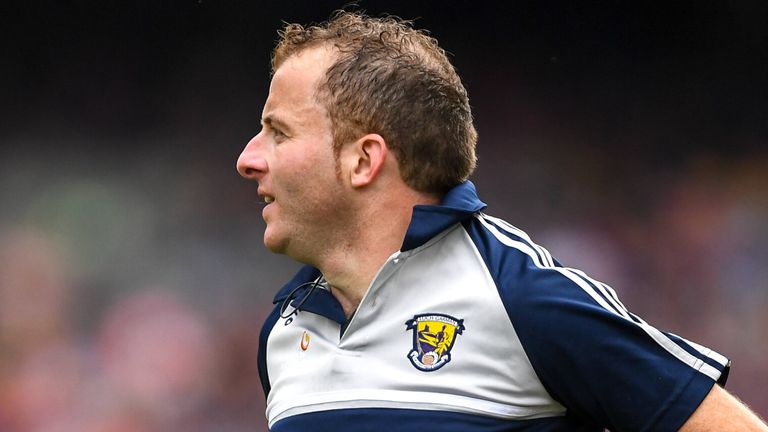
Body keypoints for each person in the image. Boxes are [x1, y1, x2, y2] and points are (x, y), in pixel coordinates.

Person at [236, 11, 767, 432]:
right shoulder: (284, 332)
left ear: (362, 161)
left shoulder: (523, 296)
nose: (248, 158)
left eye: (278, 133)